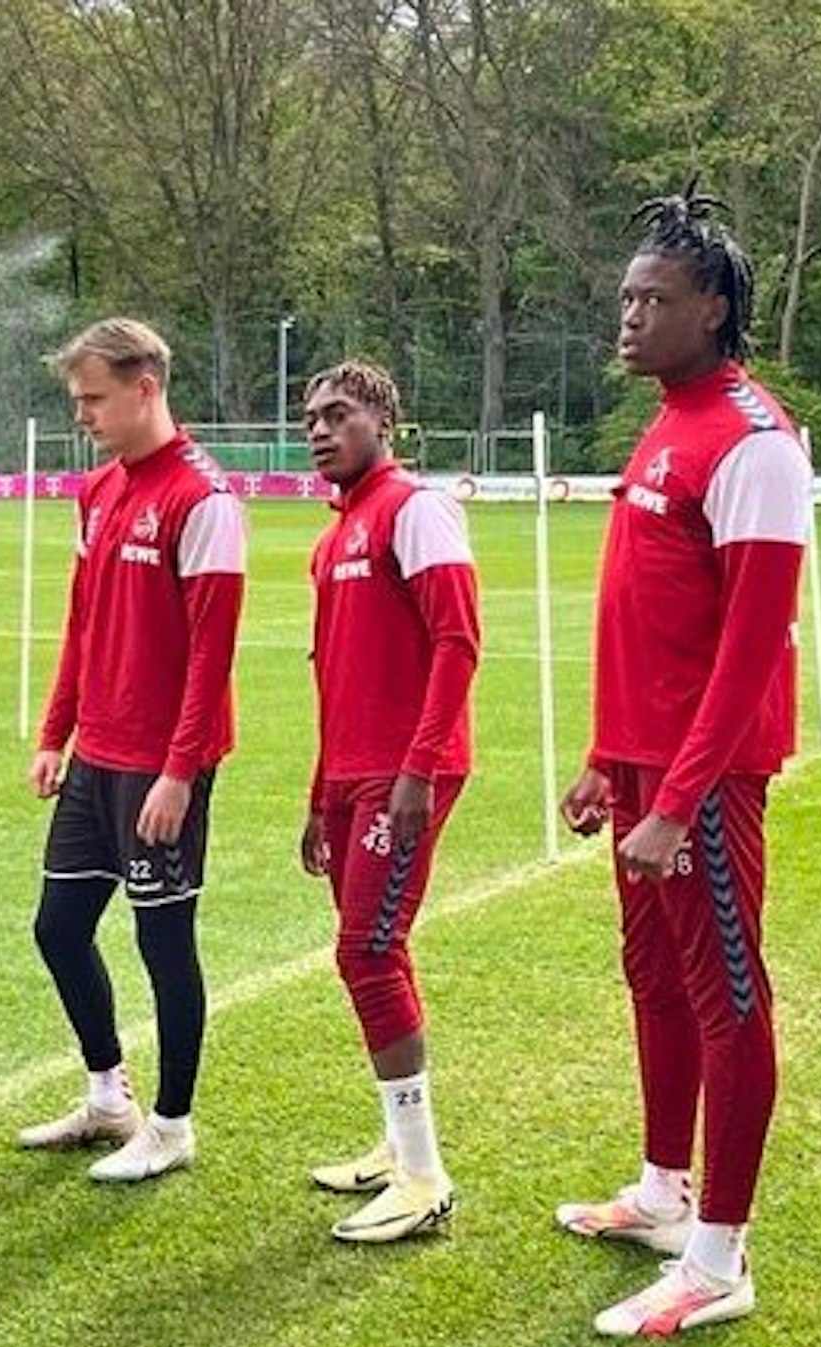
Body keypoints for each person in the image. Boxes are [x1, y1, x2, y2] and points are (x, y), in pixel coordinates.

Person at [555, 183, 813, 1338]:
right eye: (622, 298)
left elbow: (748, 647)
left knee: (725, 995)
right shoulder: (663, 422)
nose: (627, 316)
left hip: (700, 783)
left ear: (710, 309)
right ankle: (663, 1193)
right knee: (651, 979)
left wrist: (679, 795)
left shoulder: (753, 440)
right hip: (642, 773)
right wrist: (607, 762)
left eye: (651, 299)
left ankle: (719, 1257)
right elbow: (648, 625)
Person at [17, 318, 246, 1184]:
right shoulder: (99, 490)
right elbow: (82, 624)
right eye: (77, 399)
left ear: (145, 386)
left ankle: (173, 1124)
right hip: (98, 757)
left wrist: (179, 773)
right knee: (59, 928)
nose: (82, 414)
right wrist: (54, 734)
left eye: (94, 398)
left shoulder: (204, 500)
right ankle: (109, 1095)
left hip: (162, 767)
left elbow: (208, 653)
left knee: (163, 942)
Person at [299, 361, 481, 1245]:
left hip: (405, 773)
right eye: (310, 419)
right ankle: (398, 1141)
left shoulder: (415, 509)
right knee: (375, 951)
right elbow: (334, 674)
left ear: (384, 420)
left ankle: (424, 1175)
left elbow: (457, 641)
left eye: (339, 414)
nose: (321, 430)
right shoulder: (335, 534)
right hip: (352, 774)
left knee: (367, 950)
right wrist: (315, 795)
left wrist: (418, 768)